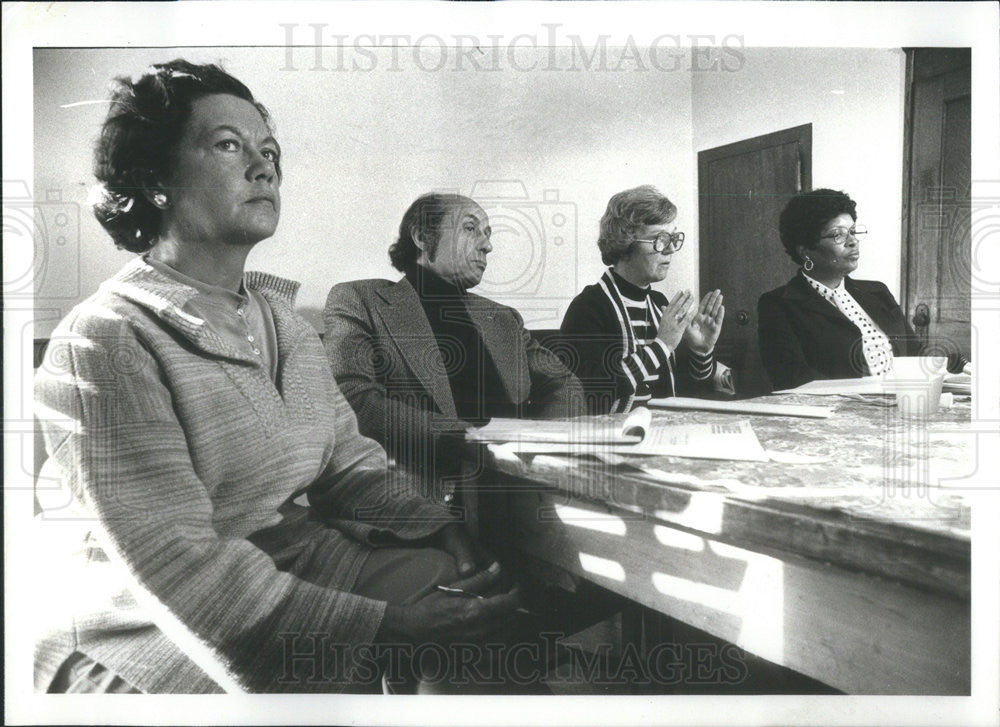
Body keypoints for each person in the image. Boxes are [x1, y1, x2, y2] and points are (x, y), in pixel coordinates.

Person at [33, 60, 522, 694]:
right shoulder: (104, 338)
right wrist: (387, 625)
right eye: (228, 145)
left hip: (291, 558)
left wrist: (445, 527)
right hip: (138, 623)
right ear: (154, 178)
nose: (264, 167)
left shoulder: (285, 324)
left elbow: (350, 466)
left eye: (269, 151)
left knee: (477, 607)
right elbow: (180, 567)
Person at [323, 192, 585, 477]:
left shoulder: (502, 317)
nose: (488, 246)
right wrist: (469, 440)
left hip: (519, 481)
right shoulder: (360, 299)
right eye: (470, 228)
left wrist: (538, 442)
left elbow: (563, 382)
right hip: (424, 491)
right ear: (422, 237)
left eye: (488, 234)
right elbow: (352, 398)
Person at [757, 188, 966, 392]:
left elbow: (914, 353)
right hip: (840, 417)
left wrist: (957, 371)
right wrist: (864, 397)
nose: (853, 241)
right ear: (805, 250)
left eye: (853, 231)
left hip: (900, 404)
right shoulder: (779, 305)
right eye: (837, 235)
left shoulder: (877, 292)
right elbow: (791, 378)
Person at [560, 185, 729, 414]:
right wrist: (663, 345)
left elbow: (684, 393)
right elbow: (594, 393)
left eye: (673, 238)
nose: (670, 249)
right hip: (611, 439)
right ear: (625, 242)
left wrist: (701, 352)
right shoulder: (588, 307)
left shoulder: (659, 303)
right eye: (660, 239)